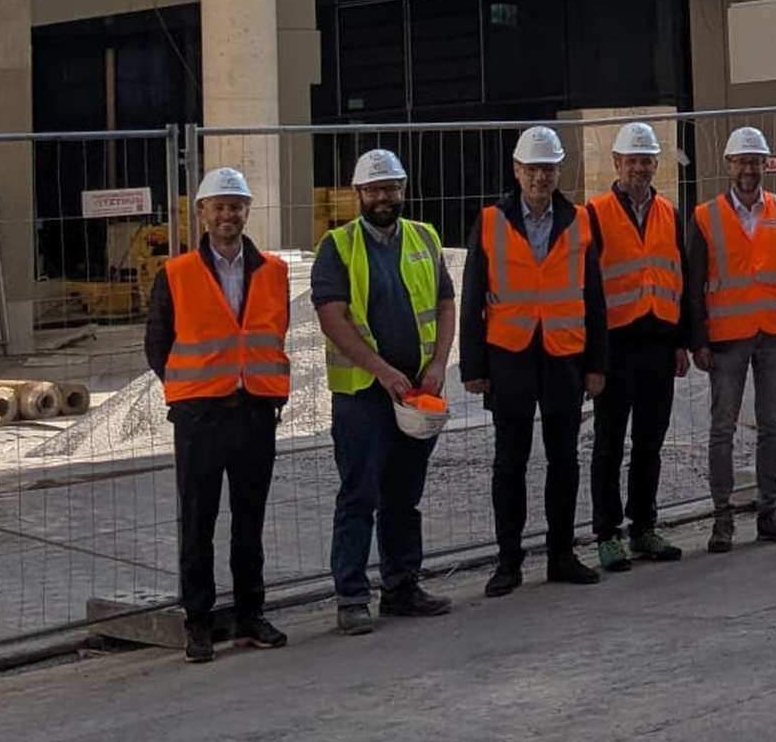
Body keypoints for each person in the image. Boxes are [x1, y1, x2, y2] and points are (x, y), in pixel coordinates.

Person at [145, 166, 293, 662]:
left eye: (236, 205)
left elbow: (274, 334)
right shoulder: (176, 273)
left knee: (249, 522)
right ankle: (199, 623)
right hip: (200, 418)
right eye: (220, 206)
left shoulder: (272, 270)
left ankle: (251, 615)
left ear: (247, 211)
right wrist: (189, 394)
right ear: (202, 213)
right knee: (198, 523)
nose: (228, 214)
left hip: (254, 411)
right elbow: (158, 345)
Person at [461, 127, 610, 595]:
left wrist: (597, 365)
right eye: (532, 169)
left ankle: (562, 554)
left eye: (547, 169)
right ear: (516, 170)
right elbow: (471, 300)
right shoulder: (490, 221)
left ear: (558, 171)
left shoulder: (581, 220)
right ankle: (509, 561)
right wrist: (474, 367)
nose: (540, 177)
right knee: (510, 463)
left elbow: (595, 298)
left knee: (564, 460)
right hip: (510, 356)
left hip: (565, 355)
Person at [312, 147, 455, 635]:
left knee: (404, 493)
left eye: (390, 188)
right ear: (358, 195)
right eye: (374, 190)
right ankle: (352, 596)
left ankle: (401, 586)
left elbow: (445, 302)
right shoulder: (338, 246)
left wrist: (438, 364)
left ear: (403, 189)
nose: (383, 197)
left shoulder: (424, 237)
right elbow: (333, 317)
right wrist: (381, 372)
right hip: (363, 397)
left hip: (416, 392)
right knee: (360, 493)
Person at [685, 127, 776, 553]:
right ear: (729, 165)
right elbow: (693, 283)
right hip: (726, 338)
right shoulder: (706, 217)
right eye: (742, 161)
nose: (748, 169)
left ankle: (769, 511)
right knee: (722, 429)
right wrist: (697, 339)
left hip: (775, 334)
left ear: (765, 165)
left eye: (755, 161)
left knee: (771, 426)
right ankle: (722, 519)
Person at [585, 123, 689, 575]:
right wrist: (593, 356)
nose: (641, 167)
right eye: (633, 160)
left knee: (650, 441)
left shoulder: (668, 211)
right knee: (609, 443)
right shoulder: (594, 213)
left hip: (658, 341)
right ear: (616, 164)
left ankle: (643, 526)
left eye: (647, 160)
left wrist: (681, 341)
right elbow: (587, 290)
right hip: (615, 344)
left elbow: (679, 278)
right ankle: (607, 534)